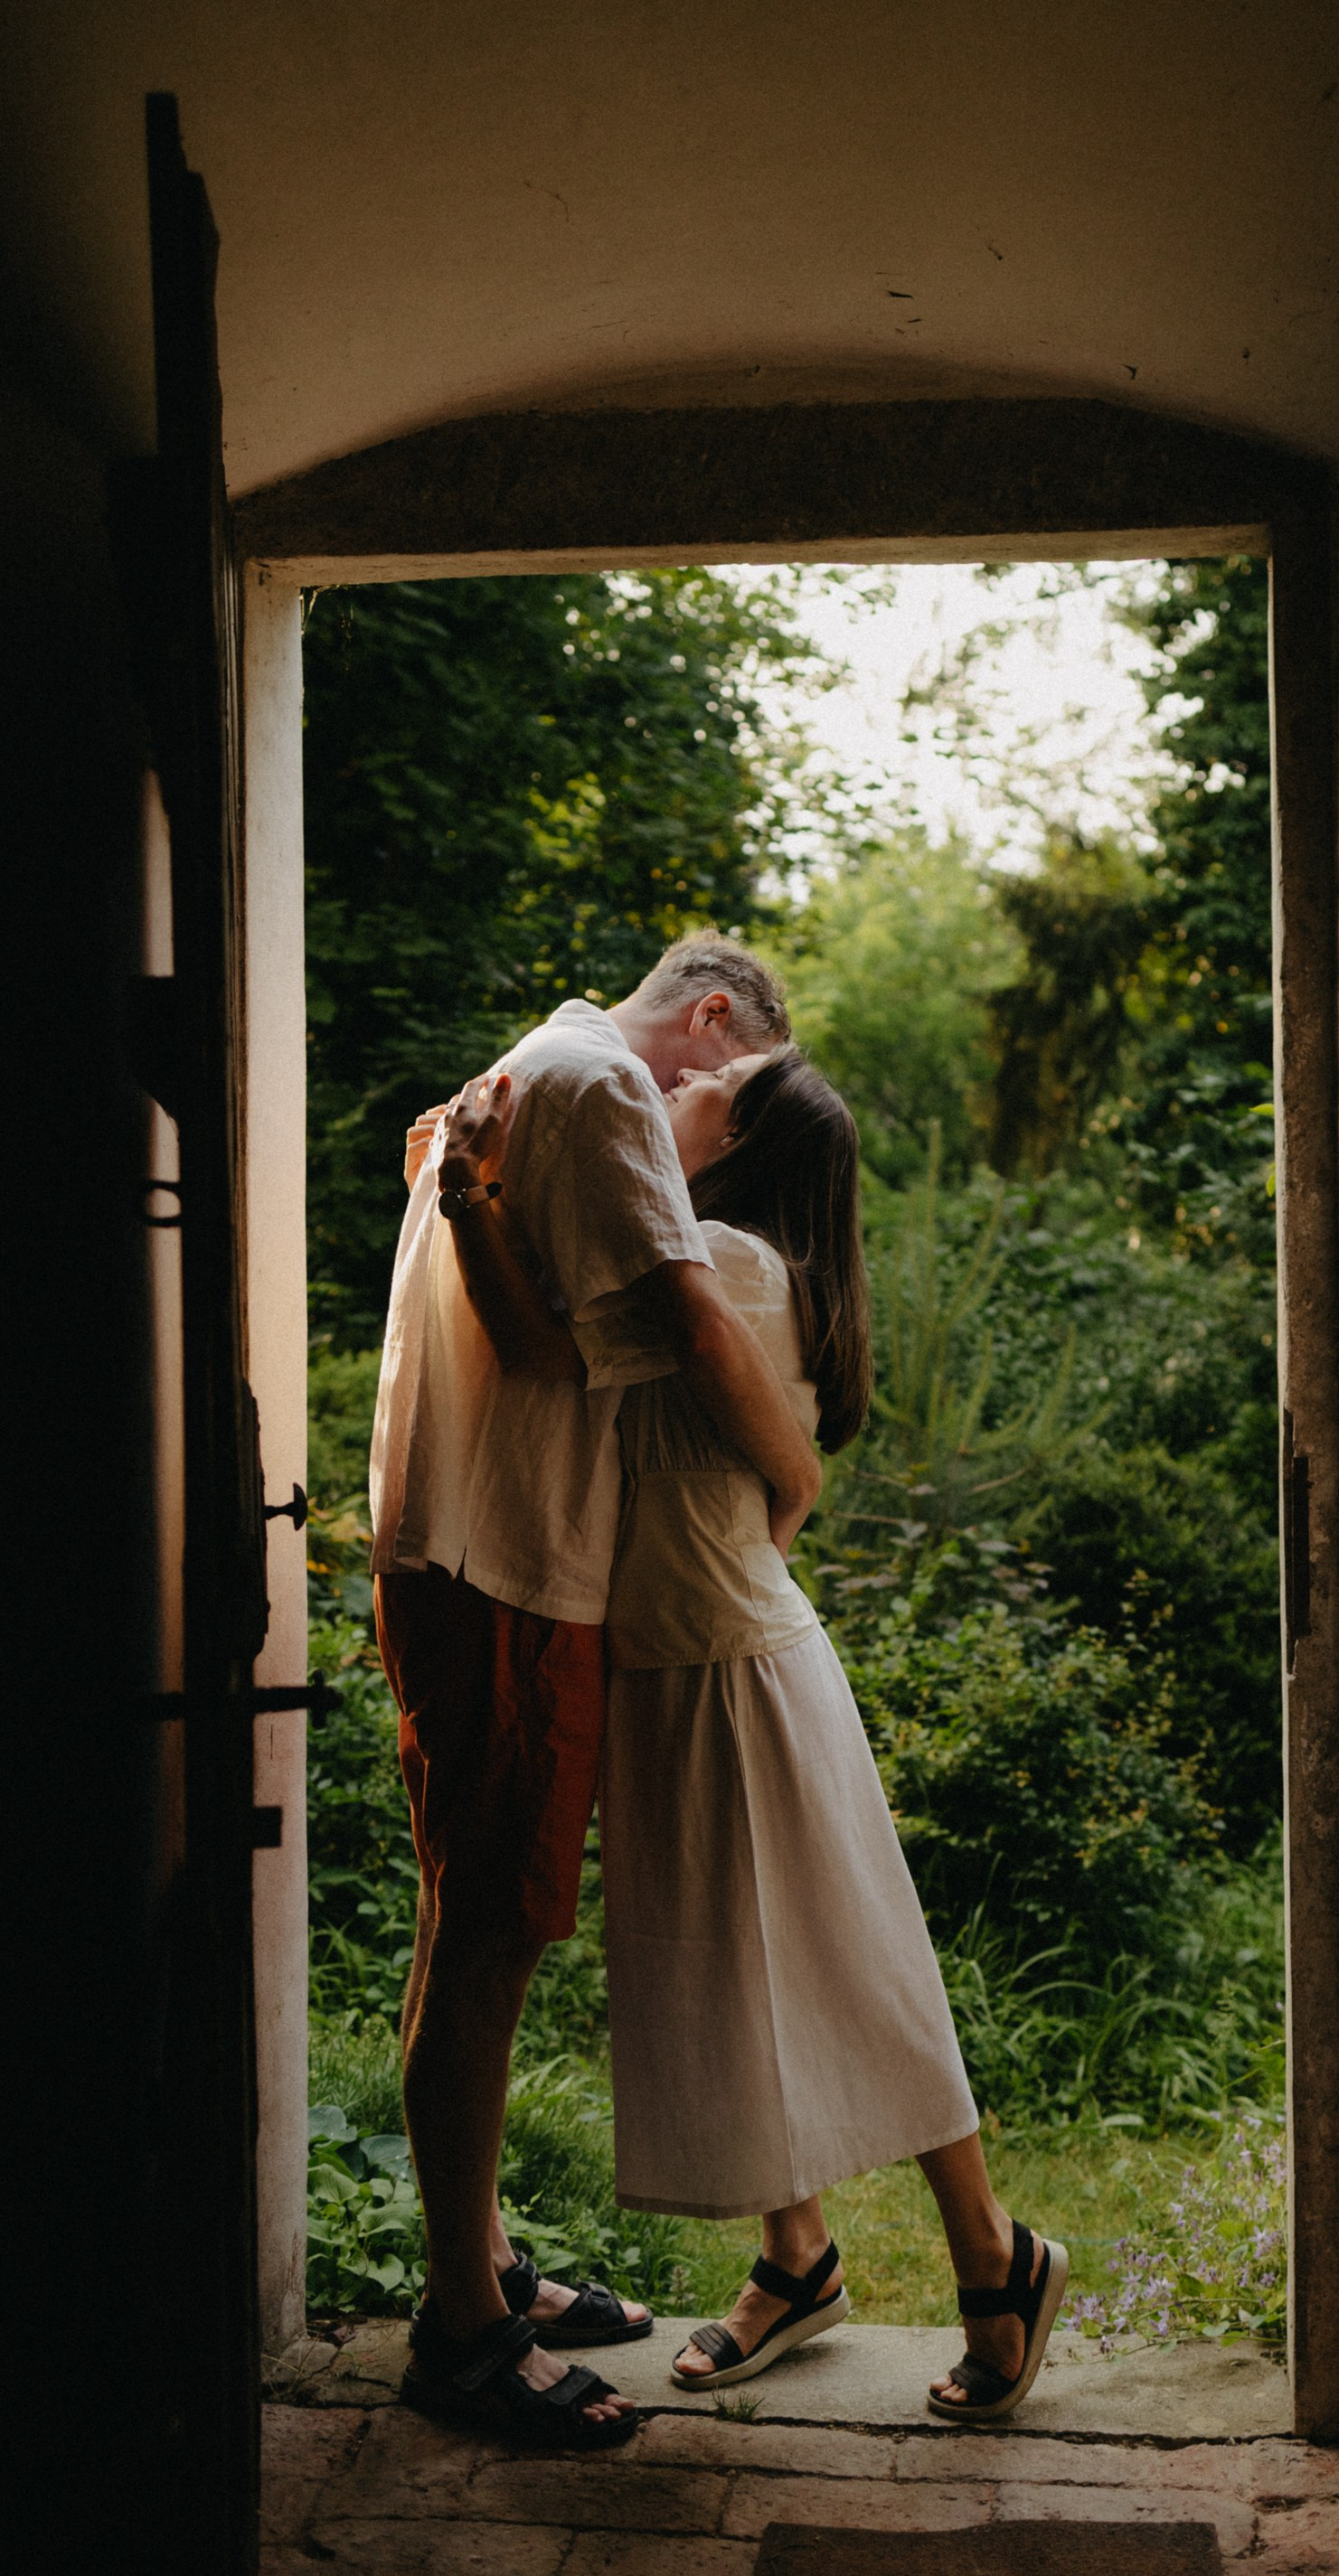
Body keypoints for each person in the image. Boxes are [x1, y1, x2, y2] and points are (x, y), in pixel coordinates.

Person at [433, 1043, 1068, 2421]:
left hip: (736, 1669)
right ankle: (796, 2259)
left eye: (717, 1085)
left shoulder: (724, 1262)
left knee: (855, 1968)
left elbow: (541, 1349)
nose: (681, 1084)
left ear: (748, 1143)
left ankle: (995, 2255)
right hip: (683, 1664)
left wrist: (469, 1191)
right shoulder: (736, 1259)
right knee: (732, 1971)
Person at [372, 935, 822, 2449]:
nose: (722, 1135)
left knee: (467, 1916)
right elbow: (671, 1328)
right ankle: (465, 2329)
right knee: (489, 1936)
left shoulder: (514, 1074)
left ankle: (480, 2259)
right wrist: (799, 1469)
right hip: (504, 1566)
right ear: (712, 1023)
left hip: (460, 1552)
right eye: (741, 1093)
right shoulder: (609, 1089)